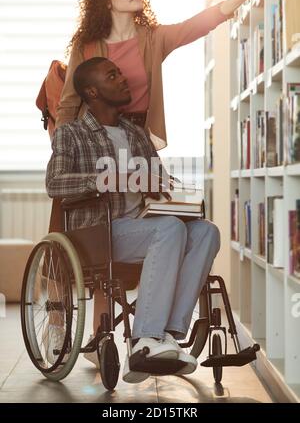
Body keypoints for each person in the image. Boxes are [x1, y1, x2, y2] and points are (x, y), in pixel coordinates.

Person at [46, 57, 221, 383]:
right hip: (99, 230)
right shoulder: (72, 133)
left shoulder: (137, 134)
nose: (123, 79)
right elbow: (55, 183)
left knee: (207, 232)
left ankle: (167, 336)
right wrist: (103, 179)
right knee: (168, 230)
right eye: (113, 75)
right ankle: (143, 341)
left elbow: (162, 181)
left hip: (145, 224)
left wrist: (167, 189)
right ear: (93, 91)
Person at [57, 0, 263, 149]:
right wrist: (62, 151)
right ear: (107, 2)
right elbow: (69, 104)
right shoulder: (86, 46)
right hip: (94, 141)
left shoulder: (154, 38)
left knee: (149, 191)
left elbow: (197, 25)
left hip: (137, 138)